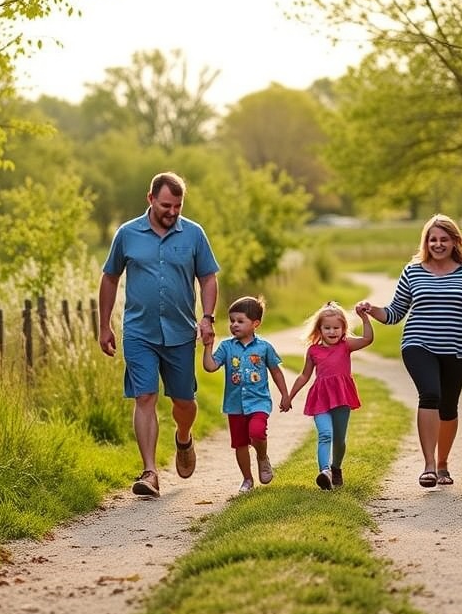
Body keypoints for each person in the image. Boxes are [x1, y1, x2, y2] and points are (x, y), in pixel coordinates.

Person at [98, 171, 219, 498]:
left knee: (184, 402)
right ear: (150, 199)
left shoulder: (194, 234)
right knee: (145, 396)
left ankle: (183, 437)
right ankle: (150, 472)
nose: (172, 212)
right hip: (139, 331)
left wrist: (207, 317)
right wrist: (104, 325)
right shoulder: (127, 234)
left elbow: (208, 277)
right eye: (166, 205)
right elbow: (109, 278)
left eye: (178, 206)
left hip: (181, 333)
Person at [356, 214, 462, 489]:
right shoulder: (413, 271)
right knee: (429, 394)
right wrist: (372, 309)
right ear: (426, 242)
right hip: (418, 344)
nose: (438, 244)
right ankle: (429, 465)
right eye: (433, 239)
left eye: (444, 239)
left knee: (448, 407)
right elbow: (395, 313)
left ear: (455, 241)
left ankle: (443, 464)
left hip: (457, 348)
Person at [202, 296, 290, 494]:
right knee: (240, 444)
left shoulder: (264, 347)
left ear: (255, 323)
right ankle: (247, 479)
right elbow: (210, 366)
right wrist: (208, 345)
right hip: (235, 405)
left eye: (240, 321)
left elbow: (276, 371)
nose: (234, 325)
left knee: (257, 432)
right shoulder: (226, 347)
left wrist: (285, 395)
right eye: (232, 320)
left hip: (259, 402)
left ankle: (262, 457)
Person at [282, 301, 373, 490]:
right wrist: (289, 396)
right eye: (327, 328)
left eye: (336, 328)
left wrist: (364, 318)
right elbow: (304, 375)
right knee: (325, 434)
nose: (332, 332)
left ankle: (336, 467)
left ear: (343, 329)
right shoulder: (313, 350)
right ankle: (325, 472)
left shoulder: (346, 345)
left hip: (342, 397)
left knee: (339, 439)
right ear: (319, 329)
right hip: (321, 397)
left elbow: (367, 339)